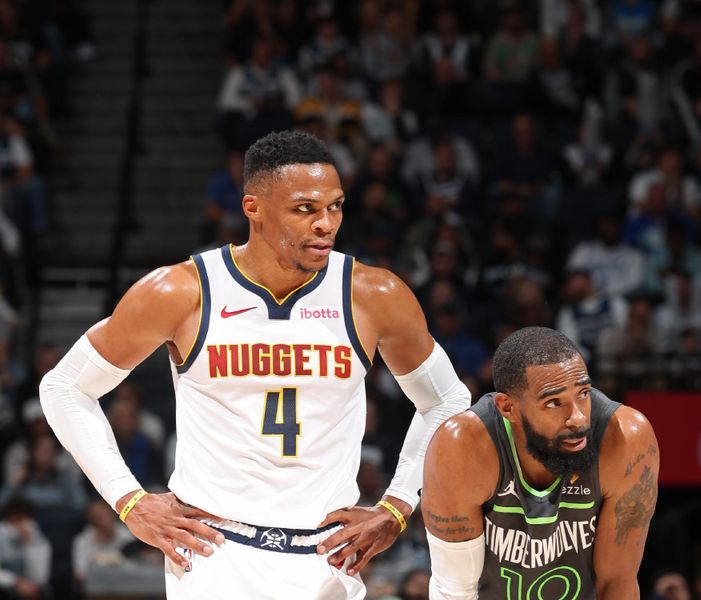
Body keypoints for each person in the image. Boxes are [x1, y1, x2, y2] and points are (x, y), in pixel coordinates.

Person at [38, 130, 471, 598]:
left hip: (328, 558)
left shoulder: (373, 295)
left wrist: (397, 506)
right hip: (215, 553)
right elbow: (64, 387)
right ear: (253, 209)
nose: (326, 224)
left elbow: (447, 399)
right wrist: (129, 501)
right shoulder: (181, 292)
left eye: (336, 206)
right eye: (305, 209)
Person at [422, 326, 659, 599]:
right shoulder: (463, 447)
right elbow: (455, 592)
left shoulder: (625, 438)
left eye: (583, 393)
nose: (579, 418)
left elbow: (617, 583)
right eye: (554, 403)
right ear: (507, 408)